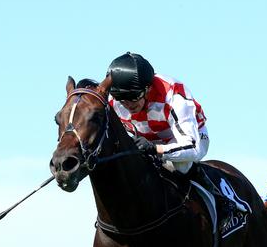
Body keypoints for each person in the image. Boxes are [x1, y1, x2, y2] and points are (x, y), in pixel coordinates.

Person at [99, 51, 234, 216]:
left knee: (181, 165)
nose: (127, 104)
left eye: (133, 97)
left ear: (148, 88)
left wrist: (156, 149)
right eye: (121, 98)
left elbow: (193, 147)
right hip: (145, 140)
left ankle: (220, 200)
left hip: (189, 139)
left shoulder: (173, 94)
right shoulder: (114, 101)